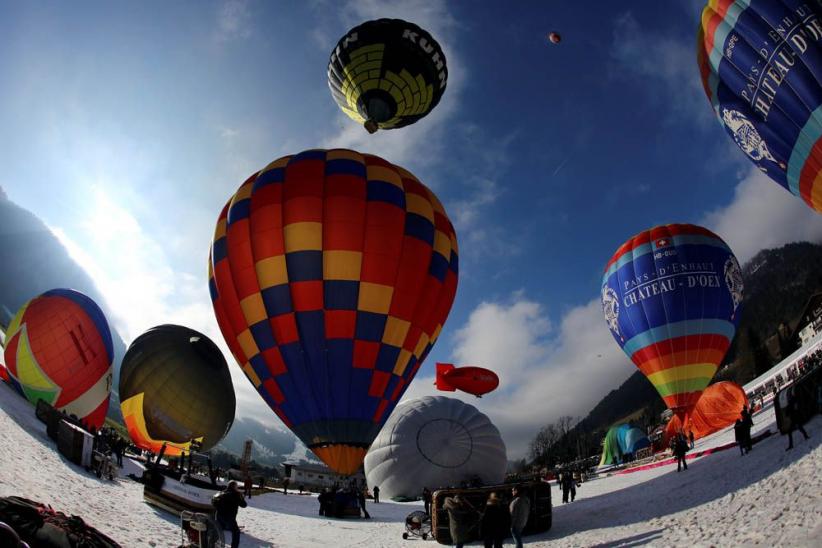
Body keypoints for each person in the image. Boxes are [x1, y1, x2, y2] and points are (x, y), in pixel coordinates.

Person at [213, 481, 247, 548]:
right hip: (229, 518)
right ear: (234, 487)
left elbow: (214, 502)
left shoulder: (221, 492)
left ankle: (212, 544)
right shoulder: (236, 494)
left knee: (217, 531)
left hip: (219, 516)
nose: (237, 488)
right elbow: (244, 505)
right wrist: (242, 497)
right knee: (236, 532)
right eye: (236, 486)